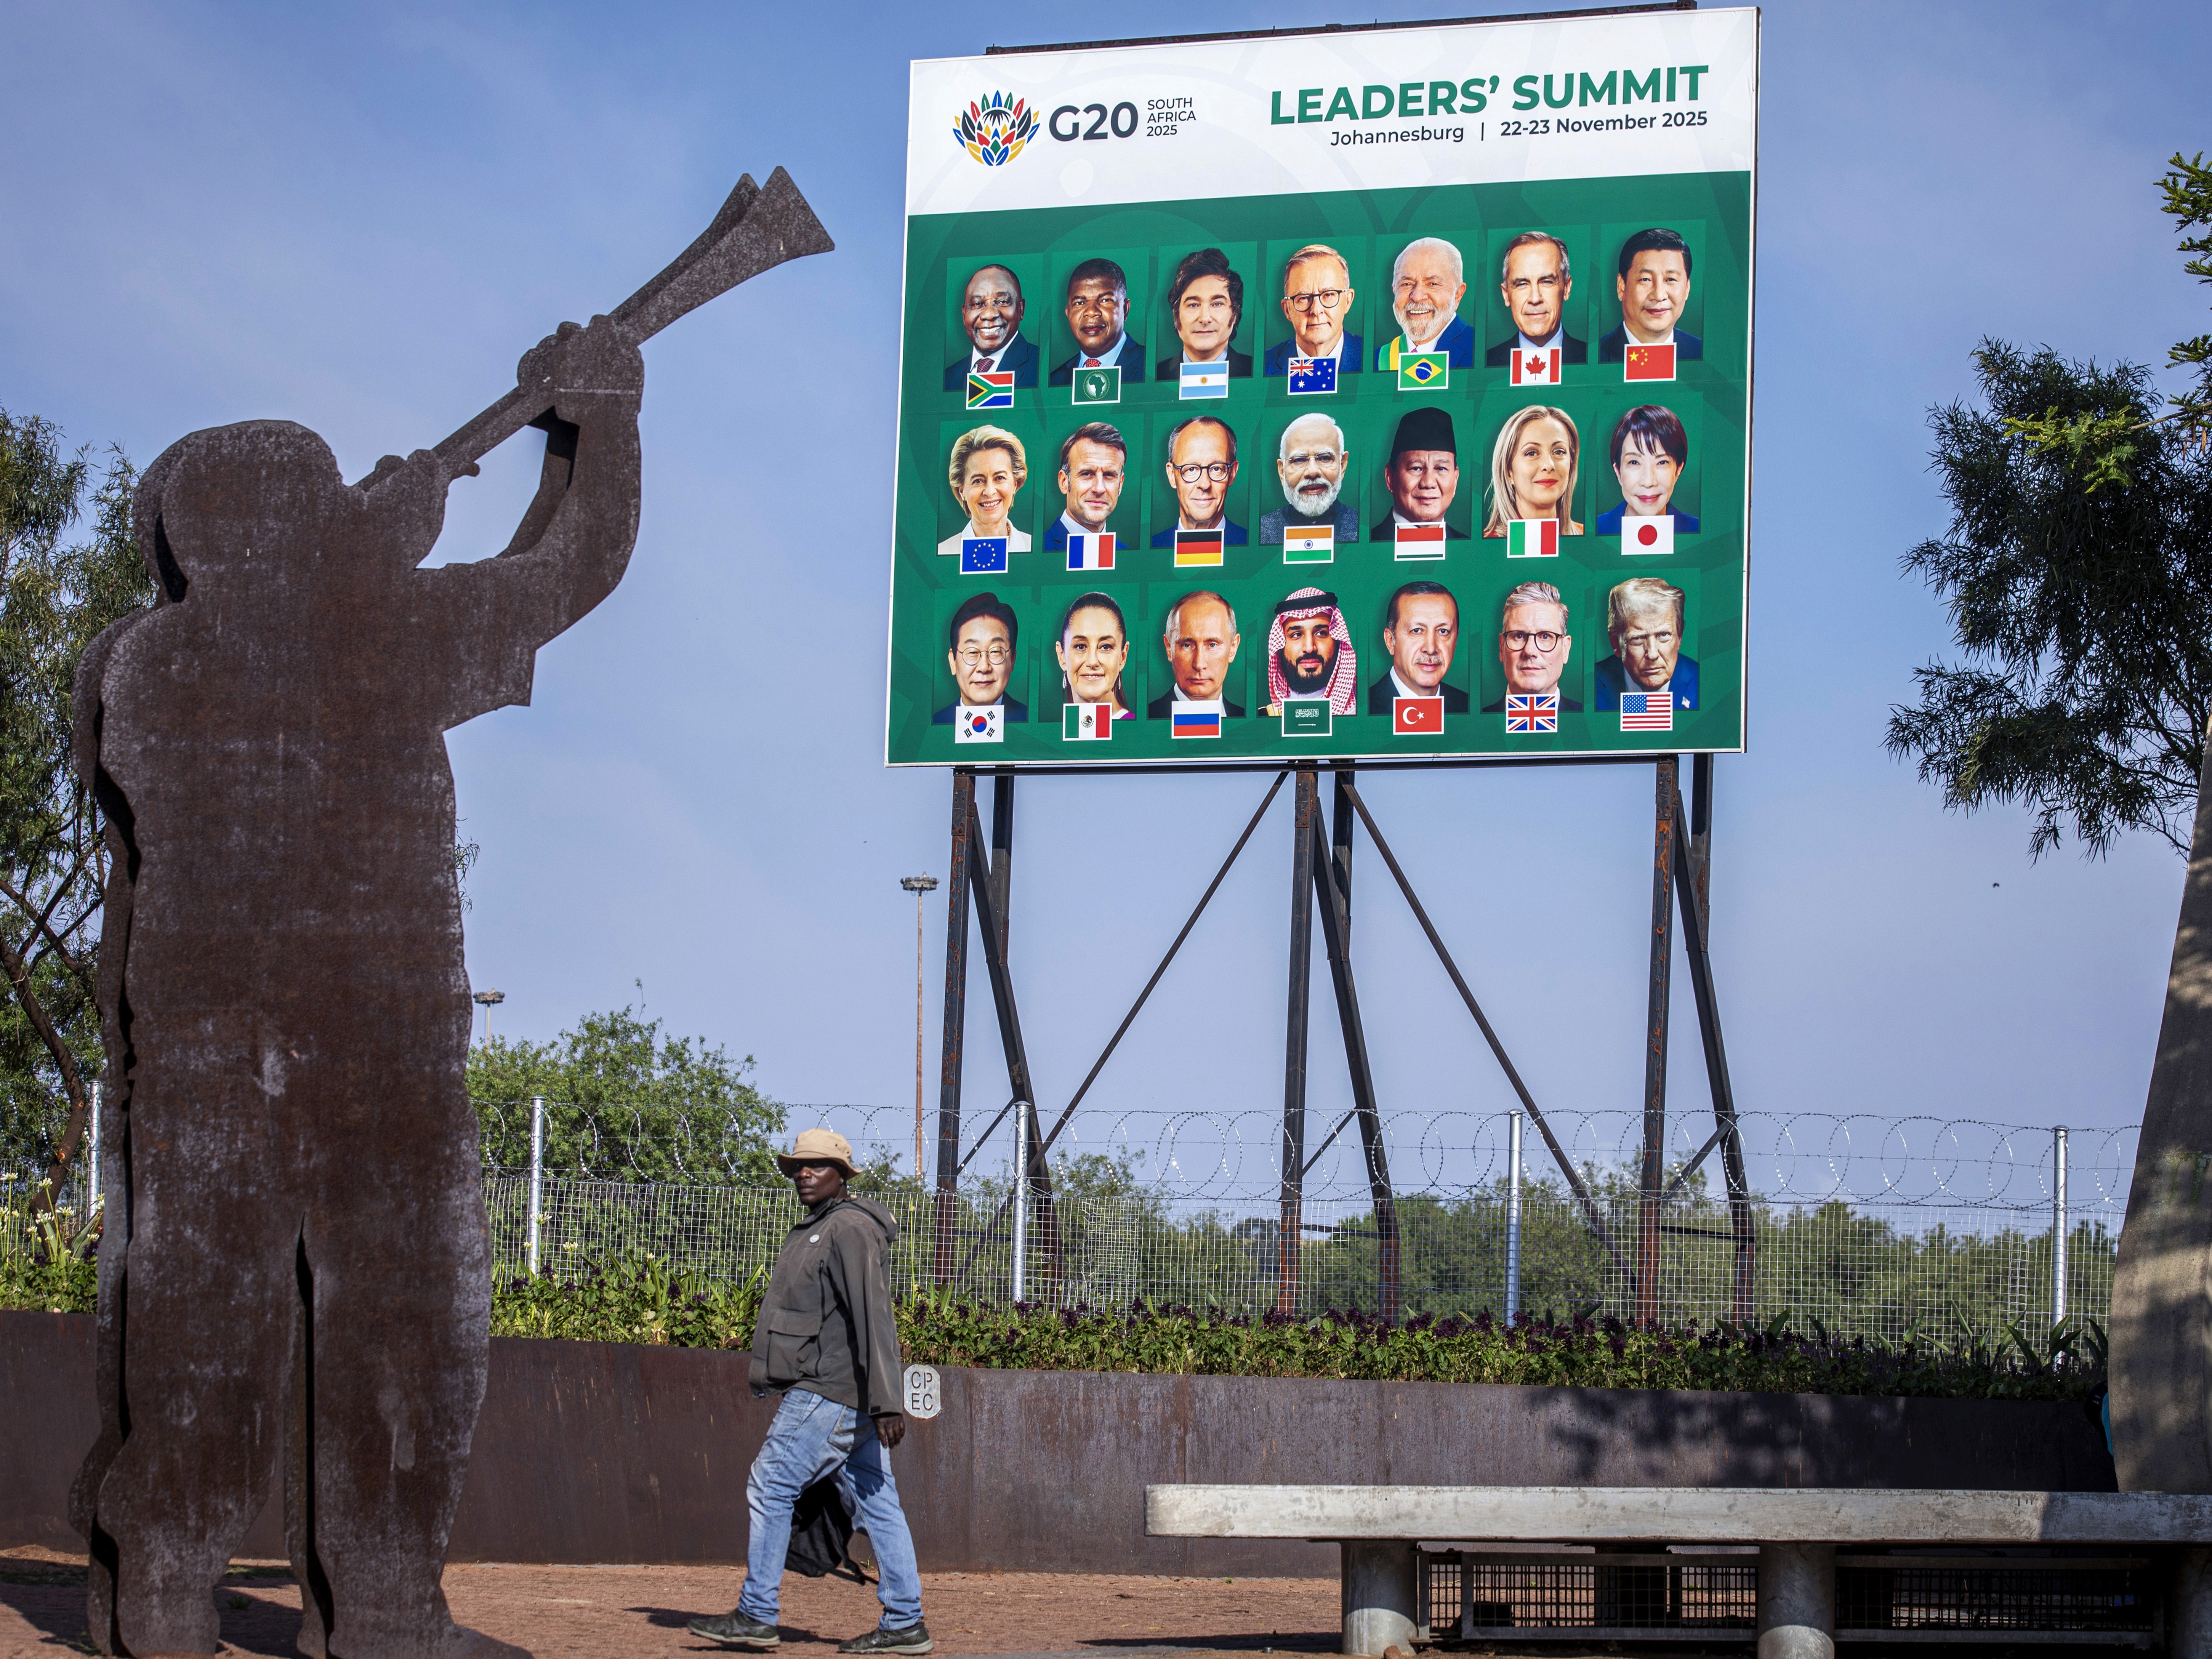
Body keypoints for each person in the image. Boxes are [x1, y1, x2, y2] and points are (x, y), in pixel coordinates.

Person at [69, 317, 639, 1659]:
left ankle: (164, 1590)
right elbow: (569, 568)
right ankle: (380, 1602)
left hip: (202, 1066)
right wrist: (602, 417)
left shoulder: (142, 665)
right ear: (289, 535)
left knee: (196, 1321)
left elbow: (323, 626)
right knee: (405, 1324)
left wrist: (376, 539)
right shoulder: (382, 631)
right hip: (380, 1058)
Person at [687, 1129, 928, 1656]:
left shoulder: (849, 1228)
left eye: (817, 1166)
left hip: (832, 1391)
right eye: (798, 1166)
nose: (804, 1173)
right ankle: (905, 1621)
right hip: (842, 1390)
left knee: (770, 1484)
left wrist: (888, 1399)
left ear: (842, 1175)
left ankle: (756, 1613)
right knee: (876, 1498)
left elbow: (875, 1317)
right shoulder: (822, 1226)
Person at [1483, 232, 1588, 368]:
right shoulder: (1487, 364)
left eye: (1547, 282)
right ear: (1506, 295)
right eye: (1522, 284)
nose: (1535, 299)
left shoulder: (1592, 357)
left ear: (1567, 288)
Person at [1599, 228, 1702, 362]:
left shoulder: (1702, 354)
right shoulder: (1595, 356)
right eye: (1645, 280)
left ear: (1687, 288)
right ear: (1621, 287)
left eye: (1670, 279)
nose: (1659, 295)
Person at [1595, 576, 1699, 710]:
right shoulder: (1593, 684)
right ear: (1616, 642)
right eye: (1638, 639)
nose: (1652, 654)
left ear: (1679, 636)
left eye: (1663, 635)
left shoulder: (1703, 681)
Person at [1480, 406, 1584, 538]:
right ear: (1508, 471)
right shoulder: (1486, 548)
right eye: (1532, 453)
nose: (1549, 465)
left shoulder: (1587, 538)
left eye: (1559, 452)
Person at [1595, 405, 1700, 533]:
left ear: (1678, 471)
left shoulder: (1697, 530)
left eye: (1662, 462)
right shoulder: (1597, 529)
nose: (1649, 482)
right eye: (1634, 462)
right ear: (1618, 472)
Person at [1375, 237, 1474, 370]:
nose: (1417, 297)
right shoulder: (1376, 360)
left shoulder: (1479, 349)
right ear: (1394, 291)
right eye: (1406, 284)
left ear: (1458, 294)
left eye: (1433, 284)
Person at [1366, 581, 1467, 713]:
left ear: (1456, 640)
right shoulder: (1361, 710)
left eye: (1443, 631)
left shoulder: (1468, 708)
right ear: (1391, 641)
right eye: (1417, 631)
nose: (1431, 649)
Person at [1263, 243, 1363, 376]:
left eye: (1328, 295)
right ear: (1287, 310)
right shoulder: (1263, 366)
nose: (1316, 311)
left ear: (1348, 301)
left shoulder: (1372, 356)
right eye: (1304, 298)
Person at [1482, 580, 1581, 712]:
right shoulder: (1475, 725)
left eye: (1545, 636)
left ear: (1565, 649)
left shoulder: (1593, 722)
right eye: (1519, 636)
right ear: (1502, 647)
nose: (1530, 651)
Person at [1260, 413, 1358, 544]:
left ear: (1342, 465)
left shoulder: (1362, 527)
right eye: (1299, 460)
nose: (1312, 472)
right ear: (1282, 472)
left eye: (1325, 458)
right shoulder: (1262, 532)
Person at [1150, 416, 1248, 547]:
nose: (1204, 484)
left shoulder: (1252, 545)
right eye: (1191, 469)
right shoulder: (1152, 547)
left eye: (1216, 469)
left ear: (1233, 473)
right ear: (1172, 475)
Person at [1260, 586, 1359, 715]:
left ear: (1338, 642)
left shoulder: (1361, 715)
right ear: (1281, 646)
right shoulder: (1264, 718)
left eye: (1321, 633)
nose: (1309, 648)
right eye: (1296, 635)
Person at [1158, 248, 1253, 380]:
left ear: (1235, 314)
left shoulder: (1254, 370)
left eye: (1217, 304)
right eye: (1193, 305)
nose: (1205, 318)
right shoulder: (1157, 375)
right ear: (1176, 316)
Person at [1371, 406, 1465, 541]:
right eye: (1416, 468)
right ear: (1390, 478)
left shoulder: (1472, 551)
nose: (1428, 483)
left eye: (1441, 469)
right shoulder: (1361, 549)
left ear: (1455, 479)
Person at [1049, 257, 1147, 385]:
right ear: (1068, 313)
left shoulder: (1152, 366)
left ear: (1125, 309)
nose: (1091, 312)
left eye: (1105, 300)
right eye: (1079, 303)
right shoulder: (1055, 381)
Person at [933, 592, 1028, 724]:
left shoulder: (1028, 720)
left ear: (1012, 659)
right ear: (953, 661)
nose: (984, 667)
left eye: (995, 652)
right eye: (972, 652)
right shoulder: (935, 723)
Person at [1147, 590, 1244, 717]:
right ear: (1169, 648)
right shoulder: (1144, 720)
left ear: (1233, 648)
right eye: (1187, 645)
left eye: (1212, 645)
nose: (1199, 664)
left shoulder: (1250, 723)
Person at [936, 427, 1031, 557]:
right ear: (962, 490)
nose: (990, 492)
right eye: (978, 481)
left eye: (1000, 478)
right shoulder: (943, 552)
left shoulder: (1033, 546)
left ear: (1015, 484)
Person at [942, 264, 1038, 390]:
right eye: (977, 304)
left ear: (1021, 309)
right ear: (964, 314)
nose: (989, 315)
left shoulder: (1041, 367)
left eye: (1003, 302)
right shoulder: (948, 378)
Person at [1043, 423, 1128, 552]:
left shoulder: (1128, 556)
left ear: (1120, 485)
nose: (1099, 489)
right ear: (1064, 482)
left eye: (1109, 475)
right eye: (1087, 474)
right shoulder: (1039, 549)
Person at [1055, 590, 1136, 718]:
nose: (1092, 662)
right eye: (1080, 646)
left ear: (1123, 657)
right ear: (1061, 656)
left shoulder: (1137, 732)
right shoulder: (1049, 734)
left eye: (1105, 647)